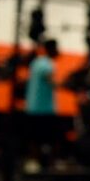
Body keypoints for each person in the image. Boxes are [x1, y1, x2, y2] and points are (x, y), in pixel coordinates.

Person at [23, 38, 59, 173]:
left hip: (32, 106)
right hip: (43, 108)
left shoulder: (36, 62)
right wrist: (67, 84)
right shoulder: (46, 65)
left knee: (34, 137)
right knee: (47, 138)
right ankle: (47, 163)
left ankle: (34, 162)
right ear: (52, 49)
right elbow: (51, 81)